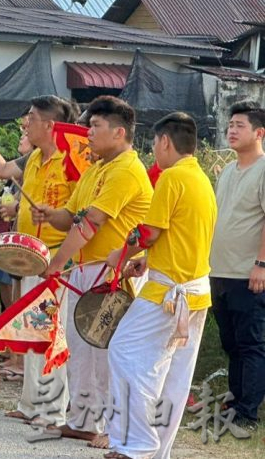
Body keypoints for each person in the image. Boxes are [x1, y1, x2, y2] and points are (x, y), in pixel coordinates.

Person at [35, 96, 152, 447]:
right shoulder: (97, 168)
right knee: (81, 347)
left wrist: (56, 263)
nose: (88, 132)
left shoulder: (127, 170)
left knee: (105, 351)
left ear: (119, 133)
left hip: (115, 273)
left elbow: (92, 222)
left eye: (96, 126)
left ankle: (107, 427)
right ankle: (82, 420)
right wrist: (48, 213)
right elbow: (72, 216)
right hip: (87, 269)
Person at [103, 113, 217, 459]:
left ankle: (136, 444)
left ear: (165, 142)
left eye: (154, 144)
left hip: (166, 295)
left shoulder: (171, 178)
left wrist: (122, 251)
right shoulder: (201, 180)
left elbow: (149, 232)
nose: (154, 152)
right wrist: (148, 260)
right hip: (196, 292)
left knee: (126, 354)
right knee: (173, 374)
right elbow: (179, 236)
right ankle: (157, 450)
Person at [0, 97, 78, 420]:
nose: (25, 123)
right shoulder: (33, 157)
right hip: (30, 256)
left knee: (52, 335)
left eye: (32, 118)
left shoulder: (72, 161)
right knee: (32, 331)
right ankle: (30, 403)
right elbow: (3, 168)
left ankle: (52, 409)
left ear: (50, 125)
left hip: (58, 261)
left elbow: (78, 212)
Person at [209, 101, 265, 429]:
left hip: (249, 272)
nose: (232, 130)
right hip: (220, 270)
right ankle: (234, 402)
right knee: (230, 342)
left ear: (259, 132)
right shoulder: (228, 170)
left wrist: (261, 263)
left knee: (251, 343)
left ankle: (247, 413)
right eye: (230, 124)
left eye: (240, 125)